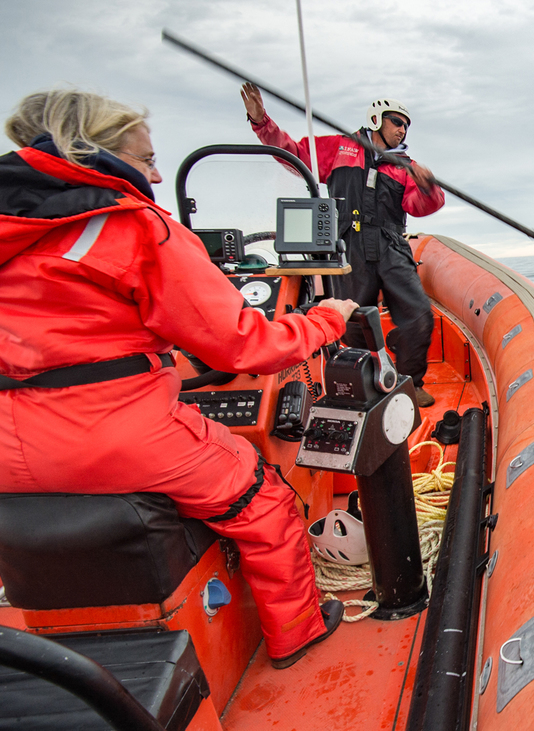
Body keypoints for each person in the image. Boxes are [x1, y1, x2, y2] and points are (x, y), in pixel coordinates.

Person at [0, 88, 356, 669]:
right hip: (110, 436)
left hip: (7, 447)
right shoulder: (133, 226)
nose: (159, 175)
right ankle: (298, 633)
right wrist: (323, 320)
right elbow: (244, 344)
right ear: (95, 153)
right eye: (146, 161)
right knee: (263, 499)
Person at [241, 83, 443, 408]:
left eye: (405, 125)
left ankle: (410, 383)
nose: (402, 129)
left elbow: (420, 206)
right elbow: (292, 153)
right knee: (352, 320)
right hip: (350, 245)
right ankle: (368, 380)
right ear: (377, 119)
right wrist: (262, 122)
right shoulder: (339, 147)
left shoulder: (405, 166)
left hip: (391, 245)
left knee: (418, 314)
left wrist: (429, 188)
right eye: (396, 121)